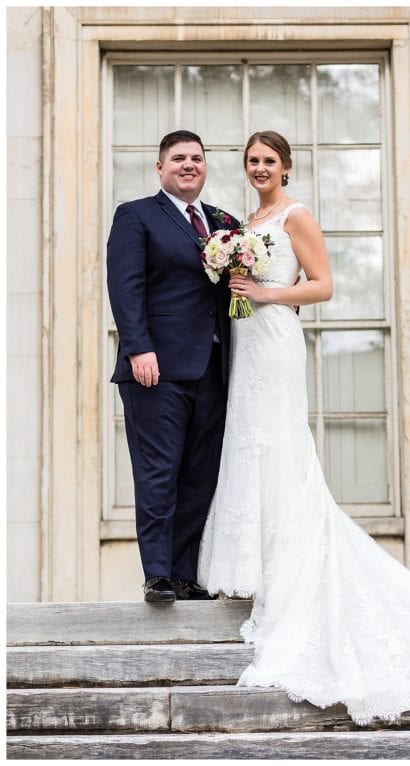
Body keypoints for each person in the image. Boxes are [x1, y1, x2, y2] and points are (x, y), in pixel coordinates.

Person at [197, 131, 410, 725]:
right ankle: (252, 564)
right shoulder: (242, 222)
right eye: (252, 161)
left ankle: (292, 571)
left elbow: (324, 285)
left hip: (276, 340)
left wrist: (263, 292)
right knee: (248, 444)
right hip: (246, 345)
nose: (260, 168)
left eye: (270, 161)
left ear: (286, 168)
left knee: (279, 446)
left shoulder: (295, 214)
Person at [107, 130, 241, 603]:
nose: (189, 165)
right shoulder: (137, 215)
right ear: (160, 168)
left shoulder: (223, 223)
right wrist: (138, 348)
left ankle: (186, 572)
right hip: (156, 369)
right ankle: (158, 574)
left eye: (197, 159)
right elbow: (126, 288)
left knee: (199, 475)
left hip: (213, 369)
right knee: (159, 472)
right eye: (179, 158)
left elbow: (235, 288)